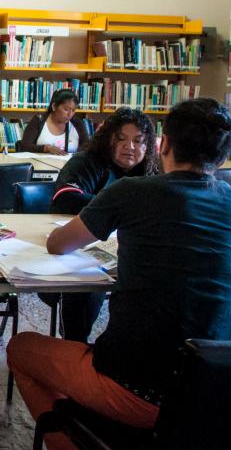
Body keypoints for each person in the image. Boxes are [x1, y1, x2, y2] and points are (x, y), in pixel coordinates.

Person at [8, 98, 231, 450]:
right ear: (224, 158)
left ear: (162, 145)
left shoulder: (130, 192)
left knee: (21, 348)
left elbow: (58, 244)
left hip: (133, 388)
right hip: (211, 390)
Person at [46, 108, 159, 343]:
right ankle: (76, 345)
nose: (130, 147)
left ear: (149, 145)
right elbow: (65, 199)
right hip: (82, 246)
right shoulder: (86, 161)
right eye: (121, 139)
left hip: (134, 248)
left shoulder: (153, 169)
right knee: (87, 283)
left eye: (138, 141)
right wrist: (116, 211)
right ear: (108, 139)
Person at [18, 88, 91, 154]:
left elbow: (87, 147)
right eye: (66, 109)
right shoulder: (39, 121)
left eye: (73, 110)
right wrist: (46, 148)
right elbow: (25, 146)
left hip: (69, 164)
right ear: (54, 106)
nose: (70, 114)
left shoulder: (77, 123)